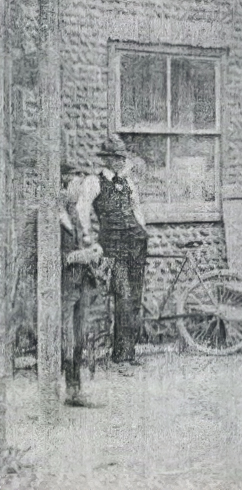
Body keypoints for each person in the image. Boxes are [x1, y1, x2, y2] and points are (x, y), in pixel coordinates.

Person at [75, 136, 150, 375]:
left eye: (121, 158)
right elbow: (82, 210)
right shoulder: (94, 182)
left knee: (135, 299)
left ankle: (127, 353)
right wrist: (87, 238)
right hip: (113, 248)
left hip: (136, 246)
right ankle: (121, 358)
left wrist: (143, 231)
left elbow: (137, 209)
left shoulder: (128, 182)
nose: (119, 162)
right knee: (124, 297)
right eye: (114, 158)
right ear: (106, 159)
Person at [60, 163, 104, 406]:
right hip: (64, 287)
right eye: (76, 184)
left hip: (82, 284)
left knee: (79, 338)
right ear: (62, 186)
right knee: (65, 339)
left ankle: (75, 391)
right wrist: (84, 255)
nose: (80, 190)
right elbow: (54, 257)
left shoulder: (74, 214)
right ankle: (66, 390)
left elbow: (79, 247)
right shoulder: (50, 218)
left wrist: (91, 251)